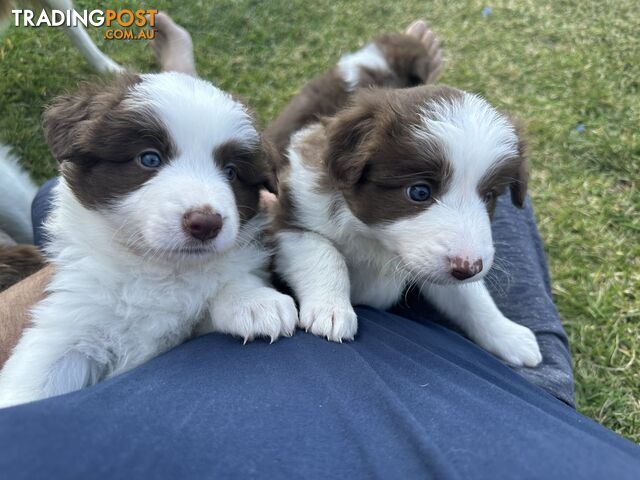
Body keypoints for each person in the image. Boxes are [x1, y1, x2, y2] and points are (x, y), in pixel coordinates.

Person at [0, 14, 637, 479]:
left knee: (463, 161)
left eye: (228, 173)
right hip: (514, 407)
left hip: (431, 367)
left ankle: (202, 105)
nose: (205, 207)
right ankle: (238, 105)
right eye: (150, 156)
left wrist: (235, 285)